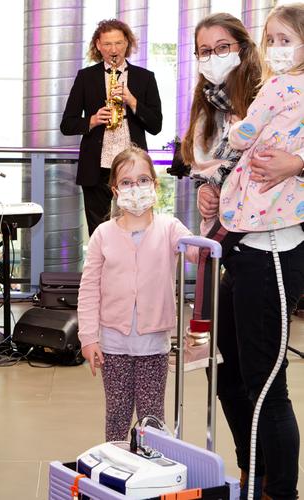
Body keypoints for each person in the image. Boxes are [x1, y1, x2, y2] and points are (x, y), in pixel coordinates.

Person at [182, 11, 304, 499]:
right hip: (234, 248)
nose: (213, 58)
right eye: (204, 50)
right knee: (229, 376)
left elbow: (256, 145)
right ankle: (254, 474)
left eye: (222, 47)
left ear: (241, 46)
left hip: (272, 245)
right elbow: (214, 164)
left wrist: (298, 163)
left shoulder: (269, 88)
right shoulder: (209, 102)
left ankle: (280, 490)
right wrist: (209, 189)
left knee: (266, 385)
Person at [77, 145, 197, 441]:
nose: (136, 188)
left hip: (153, 345)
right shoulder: (103, 234)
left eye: (143, 180)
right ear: (115, 190)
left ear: (155, 184)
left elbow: (198, 252)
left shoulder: (170, 228)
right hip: (113, 344)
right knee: (117, 415)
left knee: (151, 419)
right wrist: (88, 337)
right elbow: (89, 288)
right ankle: (116, 464)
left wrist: (210, 213)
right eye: (127, 182)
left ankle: (151, 465)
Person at [60, 19, 162, 236]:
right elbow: (67, 124)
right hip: (96, 167)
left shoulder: (145, 78)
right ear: (98, 45)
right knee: (98, 231)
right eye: (107, 44)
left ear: (127, 43)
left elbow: (156, 125)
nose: (113, 50)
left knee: (137, 228)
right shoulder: (85, 77)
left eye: (118, 43)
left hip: (133, 167)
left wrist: (132, 101)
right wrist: (93, 120)